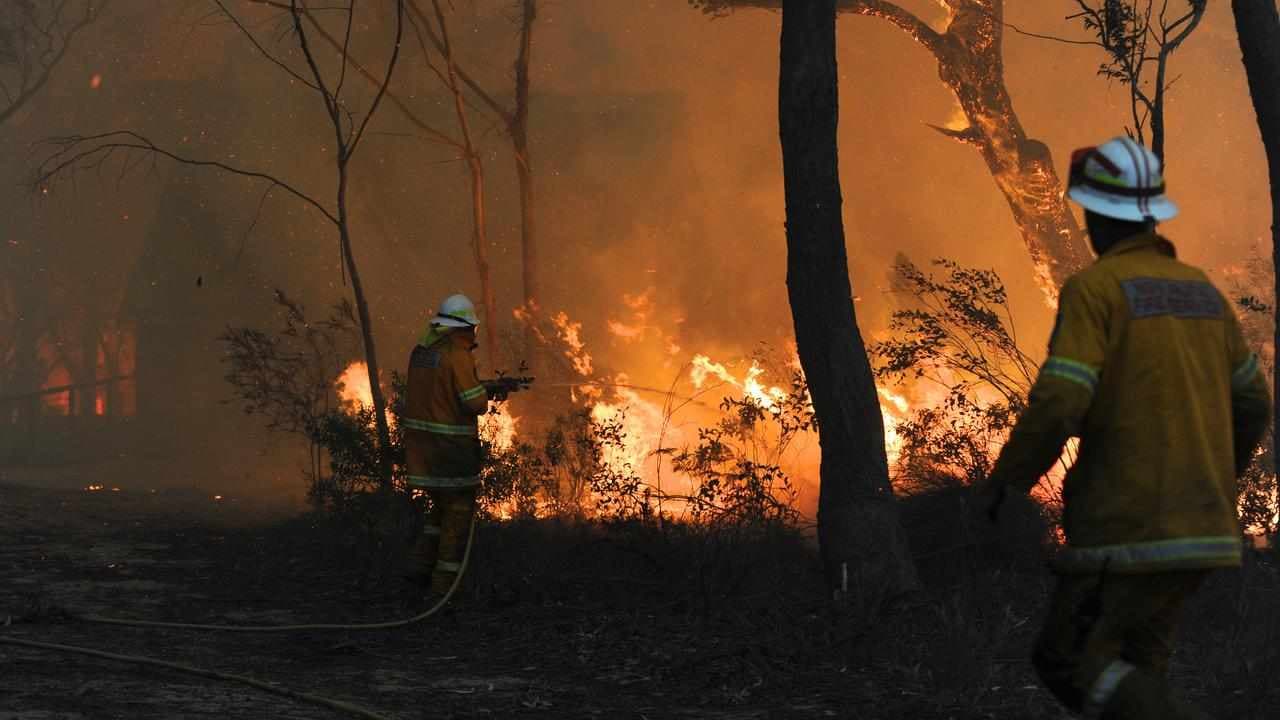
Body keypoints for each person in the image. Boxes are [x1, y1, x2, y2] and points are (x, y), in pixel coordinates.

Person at [983, 136, 1271, 719]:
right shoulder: (1203, 294)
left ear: (1095, 216)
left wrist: (1007, 481)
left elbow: (1063, 397)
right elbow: (1253, 402)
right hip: (1202, 528)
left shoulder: (1096, 290)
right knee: (1138, 672)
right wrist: (1218, 479)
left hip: (1127, 525)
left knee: (1067, 658)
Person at [402, 293, 504, 596]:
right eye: (471, 328)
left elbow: (440, 390)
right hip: (449, 450)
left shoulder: (422, 351)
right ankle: (443, 591)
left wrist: (482, 384)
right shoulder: (457, 354)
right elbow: (474, 404)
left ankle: (418, 571)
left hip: (422, 451)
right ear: (462, 327)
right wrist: (485, 394)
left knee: (439, 513)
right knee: (457, 519)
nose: (473, 334)